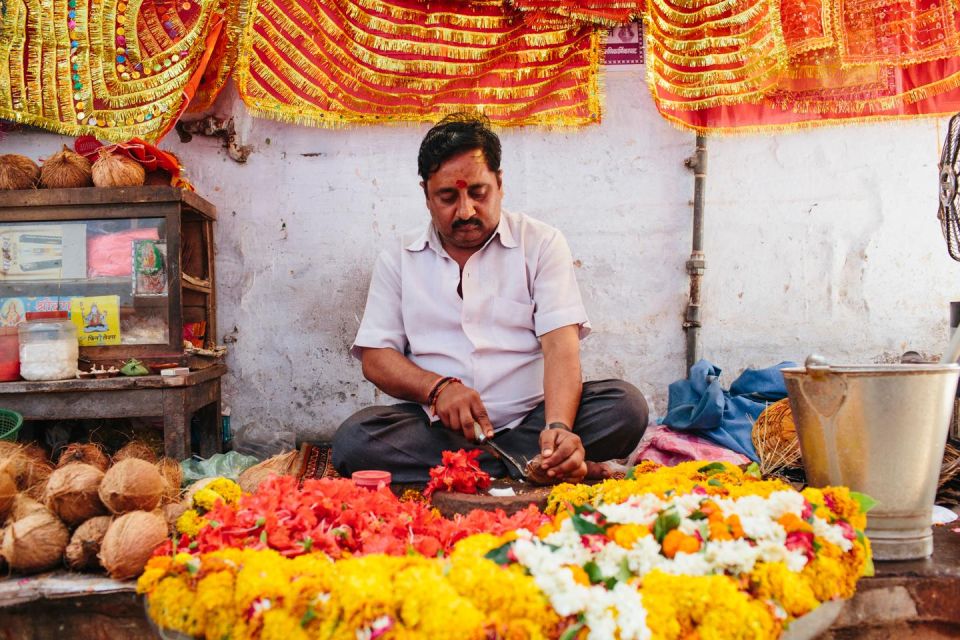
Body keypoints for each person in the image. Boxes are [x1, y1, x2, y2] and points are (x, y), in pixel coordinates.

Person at [333, 113, 648, 484]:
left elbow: (560, 346)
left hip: (535, 421)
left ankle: (500, 466)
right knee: (356, 440)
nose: (465, 211)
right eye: (448, 197)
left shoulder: (541, 244)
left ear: (500, 183)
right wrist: (437, 389)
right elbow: (376, 359)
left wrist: (559, 426)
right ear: (426, 195)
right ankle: (530, 467)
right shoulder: (399, 259)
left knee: (625, 406)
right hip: (440, 432)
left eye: (478, 193)